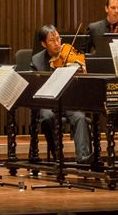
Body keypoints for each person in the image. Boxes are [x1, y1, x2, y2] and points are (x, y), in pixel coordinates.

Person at [31, 25, 93, 166]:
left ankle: (83, 158)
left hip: (67, 101)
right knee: (46, 118)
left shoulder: (69, 55)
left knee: (80, 117)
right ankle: (57, 155)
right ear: (43, 44)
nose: (57, 43)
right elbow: (34, 86)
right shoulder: (37, 61)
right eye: (52, 40)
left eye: (58, 38)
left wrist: (82, 72)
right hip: (48, 103)